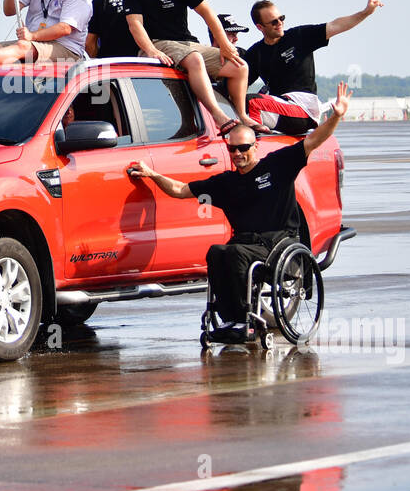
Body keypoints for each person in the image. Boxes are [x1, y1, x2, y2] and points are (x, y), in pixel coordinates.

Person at [127, 81, 352, 341]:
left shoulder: (277, 165)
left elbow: (313, 141)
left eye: (243, 148)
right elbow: (180, 189)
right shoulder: (226, 183)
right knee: (216, 252)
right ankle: (230, 318)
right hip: (244, 243)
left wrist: (336, 115)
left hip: (278, 242)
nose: (237, 153)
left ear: (255, 146)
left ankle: (242, 319)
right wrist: (152, 174)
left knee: (234, 254)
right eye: (232, 148)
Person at [121, 0, 262, 135]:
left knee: (240, 66)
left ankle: (242, 116)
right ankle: (218, 115)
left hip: (187, 44)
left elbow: (207, 13)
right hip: (158, 43)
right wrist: (151, 50)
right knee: (195, 59)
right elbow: (135, 25)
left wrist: (223, 44)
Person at [245, 0, 382, 131]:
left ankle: (252, 143)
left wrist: (366, 12)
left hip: (303, 109)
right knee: (242, 104)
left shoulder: (298, 36)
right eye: (274, 22)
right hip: (278, 110)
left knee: (252, 101)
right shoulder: (256, 53)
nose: (280, 23)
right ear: (260, 27)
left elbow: (336, 25)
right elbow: (236, 84)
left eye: (282, 18)